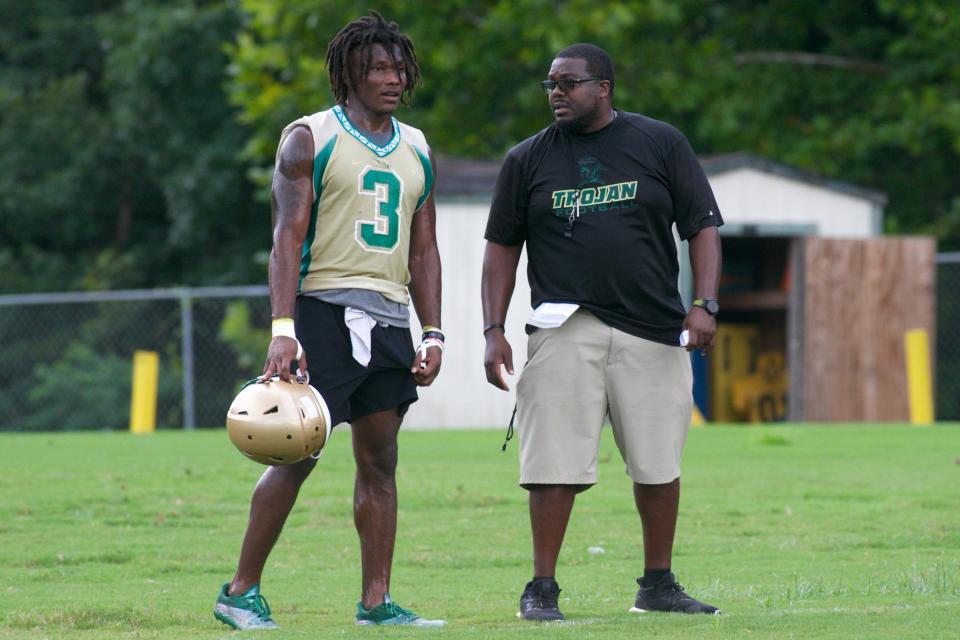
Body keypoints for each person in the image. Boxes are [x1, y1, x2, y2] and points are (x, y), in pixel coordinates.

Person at [214, 12, 445, 630]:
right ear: (348, 74)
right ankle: (239, 592)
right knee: (295, 453)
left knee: (381, 459)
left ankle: (376, 602)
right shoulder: (309, 137)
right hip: (322, 309)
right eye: (377, 68)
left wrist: (432, 330)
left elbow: (424, 248)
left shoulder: (418, 145)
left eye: (398, 68)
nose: (392, 78)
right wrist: (283, 328)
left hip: (392, 315)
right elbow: (285, 238)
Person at [481, 43, 722, 620]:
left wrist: (705, 303)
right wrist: (493, 329)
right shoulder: (527, 159)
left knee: (658, 463)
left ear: (604, 87)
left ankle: (658, 585)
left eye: (569, 83)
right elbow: (500, 250)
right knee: (552, 465)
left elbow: (703, 226)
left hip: (652, 329)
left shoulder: (660, 143)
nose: (557, 93)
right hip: (565, 329)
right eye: (550, 84)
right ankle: (541, 589)